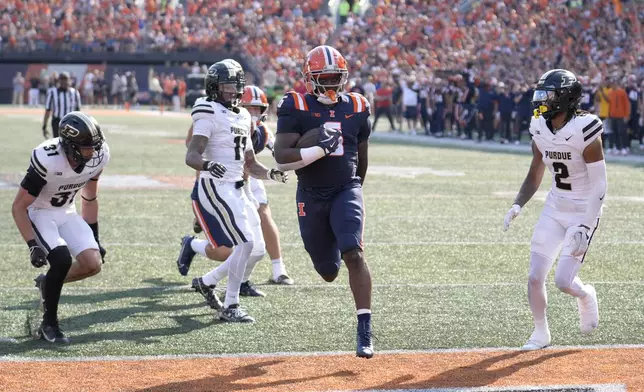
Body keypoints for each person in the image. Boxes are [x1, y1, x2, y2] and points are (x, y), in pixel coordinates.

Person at [273, 45, 374, 358]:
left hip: (346, 188)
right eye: (324, 78)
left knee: (353, 253)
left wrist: (352, 193)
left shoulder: (358, 105)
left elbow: (363, 159)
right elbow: (280, 156)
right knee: (328, 271)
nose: (331, 84)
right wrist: (317, 147)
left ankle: (365, 328)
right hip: (311, 194)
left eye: (335, 78)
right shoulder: (296, 104)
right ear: (309, 78)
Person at [504, 69, 605, 350]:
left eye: (548, 95)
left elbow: (599, 186)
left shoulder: (585, 130)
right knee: (535, 275)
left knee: (563, 281)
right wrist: (517, 203)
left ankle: (584, 294)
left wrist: (586, 225)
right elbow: (535, 170)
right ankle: (540, 333)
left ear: (565, 98)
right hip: (555, 204)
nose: (541, 100)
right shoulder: (539, 127)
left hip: (584, 207)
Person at [180, 60, 287, 323]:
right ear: (214, 87)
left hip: (238, 189)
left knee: (257, 249)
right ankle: (231, 304)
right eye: (227, 86)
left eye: (236, 86)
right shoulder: (208, 111)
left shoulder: (241, 116)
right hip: (214, 187)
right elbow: (191, 155)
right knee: (245, 243)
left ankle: (207, 282)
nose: (232, 91)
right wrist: (208, 164)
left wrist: (271, 173)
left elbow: (250, 164)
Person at [12, 112, 110, 343]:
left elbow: (89, 196)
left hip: (67, 210)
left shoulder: (99, 154)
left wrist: (94, 233)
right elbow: (18, 206)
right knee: (62, 260)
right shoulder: (48, 159)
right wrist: (32, 245)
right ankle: (49, 324)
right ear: (68, 145)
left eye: (94, 146)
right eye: (86, 147)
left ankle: (48, 282)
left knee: (93, 264)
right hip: (40, 212)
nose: (92, 152)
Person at [43, 73, 81, 139]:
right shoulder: (52, 92)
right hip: (57, 121)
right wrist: (44, 126)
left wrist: (78, 125)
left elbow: (78, 110)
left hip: (70, 122)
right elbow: (48, 110)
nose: (64, 82)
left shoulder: (75, 92)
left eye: (65, 79)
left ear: (69, 80)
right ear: (59, 81)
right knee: (58, 142)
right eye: (62, 79)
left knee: (70, 143)